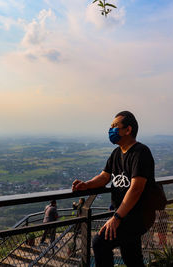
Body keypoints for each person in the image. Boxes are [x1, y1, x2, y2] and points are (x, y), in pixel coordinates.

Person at [72, 111, 155, 267]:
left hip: (137, 216)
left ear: (128, 130)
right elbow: (104, 177)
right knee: (131, 256)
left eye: (115, 126)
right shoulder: (117, 153)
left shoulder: (140, 152)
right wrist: (86, 185)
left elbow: (136, 188)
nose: (111, 130)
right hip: (125, 215)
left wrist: (116, 218)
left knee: (99, 243)